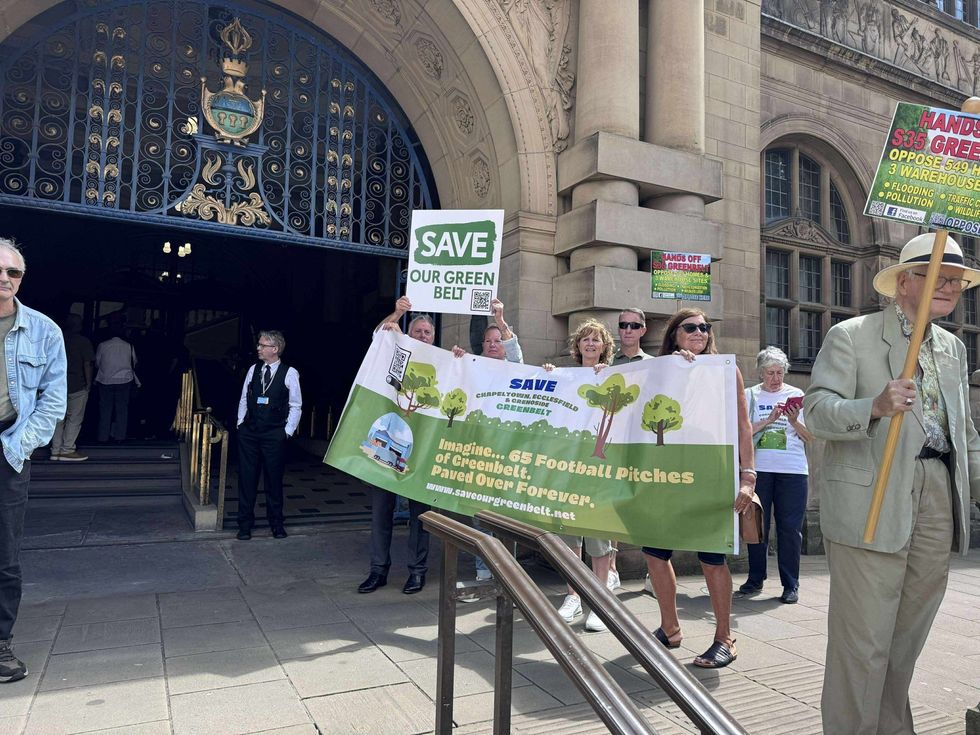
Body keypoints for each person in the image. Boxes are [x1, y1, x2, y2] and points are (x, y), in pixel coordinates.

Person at [805, 233, 980, 735]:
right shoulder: (852, 335)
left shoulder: (951, 347)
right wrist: (873, 407)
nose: (950, 286)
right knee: (863, 643)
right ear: (905, 282)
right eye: (938, 277)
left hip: (937, 493)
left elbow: (962, 431)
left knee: (905, 639)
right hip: (872, 499)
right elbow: (816, 412)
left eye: (957, 280)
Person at [644, 308, 755, 668]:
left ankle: (725, 637)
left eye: (705, 328)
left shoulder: (724, 370)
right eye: (690, 327)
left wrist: (748, 476)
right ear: (674, 334)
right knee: (655, 551)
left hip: (711, 471)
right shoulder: (659, 370)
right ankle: (670, 628)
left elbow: (743, 424)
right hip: (666, 474)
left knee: (712, 556)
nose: (700, 333)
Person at [0, 237, 67, 683]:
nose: (5, 280)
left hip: (8, 447)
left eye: (13, 273)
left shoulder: (44, 330)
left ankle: (0, 644)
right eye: (0, 271)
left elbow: (53, 400)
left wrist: (20, 446)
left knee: (5, 554)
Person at [544, 319, 618, 632]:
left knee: (599, 536)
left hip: (599, 468)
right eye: (585, 339)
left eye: (596, 340)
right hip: (569, 467)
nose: (590, 344)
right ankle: (574, 595)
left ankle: (599, 602)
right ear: (578, 346)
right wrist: (545, 377)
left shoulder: (616, 377)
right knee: (570, 537)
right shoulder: (566, 376)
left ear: (604, 347)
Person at [359, 298, 435, 594]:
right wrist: (399, 312)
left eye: (428, 332)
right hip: (387, 448)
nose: (423, 336)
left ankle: (417, 571)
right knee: (381, 512)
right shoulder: (397, 351)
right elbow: (379, 335)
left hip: (422, 451)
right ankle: (378, 570)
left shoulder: (442, 361)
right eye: (418, 331)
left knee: (420, 516)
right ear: (410, 333)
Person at [450, 299, 522, 598]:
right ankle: (483, 570)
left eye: (498, 340)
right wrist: (455, 359)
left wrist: (501, 319)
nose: (493, 345)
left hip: (508, 454)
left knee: (507, 517)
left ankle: (508, 571)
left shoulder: (516, 368)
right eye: (488, 341)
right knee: (481, 515)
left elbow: (516, 351)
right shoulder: (473, 365)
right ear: (482, 345)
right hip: (480, 453)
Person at [738, 346, 812, 603]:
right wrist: (769, 420)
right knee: (756, 525)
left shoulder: (797, 395)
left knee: (790, 528)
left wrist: (793, 421)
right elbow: (742, 434)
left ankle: (790, 584)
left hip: (792, 470)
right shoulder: (749, 396)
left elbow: (810, 437)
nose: (776, 378)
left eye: (780, 373)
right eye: (770, 373)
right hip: (758, 471)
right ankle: (755, 578)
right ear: (760, 373)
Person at [235, 330, 302, 541]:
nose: (258, 348)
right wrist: (240, 423)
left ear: (274, 349)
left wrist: (287, 432)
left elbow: (296, 405)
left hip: (274, 433)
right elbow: (244, 397)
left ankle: (276, 523)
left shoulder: (289, 372)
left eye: (262, 345)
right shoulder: (254, 369)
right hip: (250, 432)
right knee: (247, 479)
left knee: (273, 479)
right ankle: (244, 524)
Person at [611, 307, 652, 592]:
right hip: (613, 442)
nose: (627, 330)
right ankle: (611, 568)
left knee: (646, 504)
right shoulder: (606, 362)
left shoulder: (656, 363)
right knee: (612, 503)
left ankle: (655, 570)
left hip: (643, 442)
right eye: (623, 325)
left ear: (642, 330)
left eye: (633, 325)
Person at [50, 314, 94, 462]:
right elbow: (87, 364)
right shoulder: (83, 342)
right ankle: (67, 450)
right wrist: (88, 383)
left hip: (55, 385)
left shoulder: (55, 339)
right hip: (77, 384)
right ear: (79, 326)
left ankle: (55, 450)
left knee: (57, 419)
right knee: (74, 418)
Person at [94, 313, 137, 443]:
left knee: (105, 409)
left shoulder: (102, 345)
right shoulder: (129, 345)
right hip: (124, 380)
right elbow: (134, 362)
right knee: (122, 409)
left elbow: (97, 363)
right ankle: (120, 437)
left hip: (105, 380)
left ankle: (103, 437)